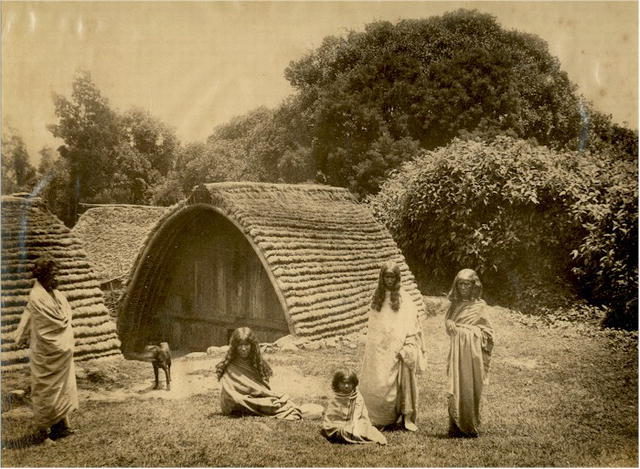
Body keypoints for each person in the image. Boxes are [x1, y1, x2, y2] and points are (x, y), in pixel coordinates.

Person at [13, 255, 78, 442]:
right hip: (46, 355)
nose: (57, 278)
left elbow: (64, 317)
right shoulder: (36, 297)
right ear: (43, 276)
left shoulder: (57, 295)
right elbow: (44, 325)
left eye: (57, 273)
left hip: (62, 355)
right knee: (45, 390)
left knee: (62, 389)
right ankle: (43, 433)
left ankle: (62, 428)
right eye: (53, 274)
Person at [359, 261, 426, 431]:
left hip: (395, 347)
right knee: (376, 380)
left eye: (392, 276)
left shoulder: (405, 299)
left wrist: (404, 345)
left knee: (390, 381)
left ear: (397, 278)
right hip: (377, 349)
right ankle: (375, 416)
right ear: (382, 278)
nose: (389, 280)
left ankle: (390, 417)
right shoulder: (377, 297)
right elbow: (374, 324)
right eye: (386, 276)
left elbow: (411, 323)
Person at [445, 268, 495, 437]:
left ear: (474, 285)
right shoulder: (455, 305)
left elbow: (488, 332)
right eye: (460, 284)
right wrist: (450, 325)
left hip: (473, 354)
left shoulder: (480, 307)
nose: (464, 287)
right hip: (457, 353)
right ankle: (455, 425)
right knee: (456, 383)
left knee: (471, 385)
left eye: (467, 284)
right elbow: (449, 323)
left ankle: (471, 423)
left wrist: (467, 331)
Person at [215, 327, 302, 420]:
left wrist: (270, 395)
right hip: (233, 401)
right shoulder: (230, 365)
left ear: (252, 345)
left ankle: (268, 406)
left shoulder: (256, 362)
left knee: (270, 402)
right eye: (240, 345)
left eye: (246, 345)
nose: (243, 348)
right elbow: (230, 391)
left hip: (252, 397)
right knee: (238, 400)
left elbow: (261, 387)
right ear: (235, 346)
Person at [321, 368, 387, 445]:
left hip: (356, 422)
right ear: (337, 384)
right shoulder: (335, 398)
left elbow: (358, 415)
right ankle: (345, 435)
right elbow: (331, 416)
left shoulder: (357, 397)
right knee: (336, 430)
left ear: (354, 384)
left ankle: (350, 436)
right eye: (343, 383)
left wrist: (352, 425)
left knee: (362, 430)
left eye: (349, 383)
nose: (346, 386)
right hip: (337, 424)